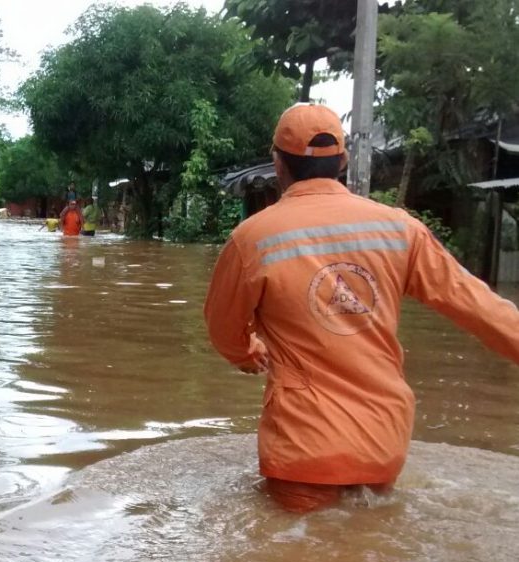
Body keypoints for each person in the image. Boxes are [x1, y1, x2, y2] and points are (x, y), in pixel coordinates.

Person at [203, 103, 519, 513]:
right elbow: (482, 309)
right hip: (382, 441)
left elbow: (222, 330)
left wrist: (249, 352)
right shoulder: (400, 229)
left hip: (304, 448)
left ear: (278, 164)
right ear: (343, 162)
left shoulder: (254, 238)